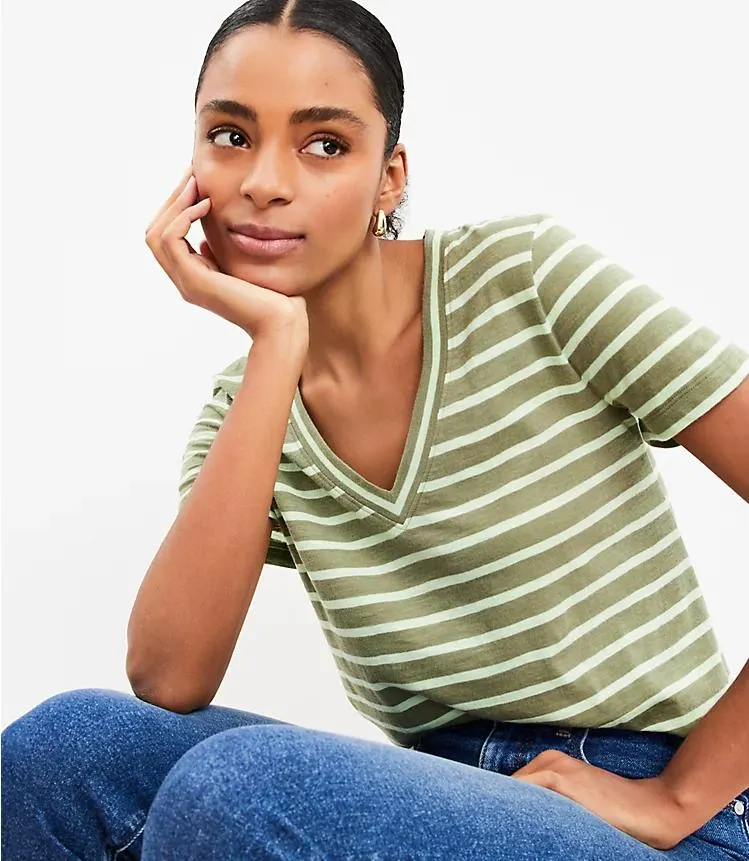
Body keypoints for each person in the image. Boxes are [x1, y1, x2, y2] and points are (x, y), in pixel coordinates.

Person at [3, 0, 749, 858]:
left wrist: (675, 794)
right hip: (432, 797)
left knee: (241, 788)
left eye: (324, 144)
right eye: (231, 136)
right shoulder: (246, 411)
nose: (264, 182)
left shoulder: (525, 284)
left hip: (662, 821)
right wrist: (276, 344)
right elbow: (168, 677)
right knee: (62, 750)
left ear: (389, 179)